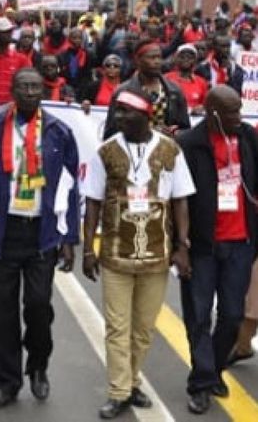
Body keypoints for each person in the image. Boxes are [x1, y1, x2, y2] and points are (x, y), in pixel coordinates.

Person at [0, 68, 80, 410]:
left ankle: (38, 364)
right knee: (0, 314)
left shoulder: (59, 132)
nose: (30, 92)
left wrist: (69, 237)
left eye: (35, 87)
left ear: (43, 91)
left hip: (41, 233)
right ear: (12, 91)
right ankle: (7, 381)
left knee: (38, 306)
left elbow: (70, 187)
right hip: (2, 232)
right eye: (24, 87)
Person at [82, 89, 195, 419]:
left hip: (156, 255)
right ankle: (119, 390)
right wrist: (88, 248)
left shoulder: (170, 150)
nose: (118, 117)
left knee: (143, 329)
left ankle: (131, 382)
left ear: (146, 116)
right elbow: (93, 202)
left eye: (125, 112)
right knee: (117, 326)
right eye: (116, 111)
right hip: (115, 254)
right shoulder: (105, 151)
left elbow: (181, 200)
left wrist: (182, 247)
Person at [176, 85, 258, 415]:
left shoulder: (248, 137)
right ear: (213, 114)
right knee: (197, 316)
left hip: (241, 243)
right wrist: (180, 246)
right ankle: (201, 383)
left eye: (239, 110)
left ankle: (214, 369)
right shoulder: (189, 144)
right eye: (231, 112)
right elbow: (177, 199)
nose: (238, 117)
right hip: (202, 246)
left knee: (232, 315)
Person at [103, 40, 190, 140]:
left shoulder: (174, 90)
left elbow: (185, 128)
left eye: (159, 57)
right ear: (138, 60)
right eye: (152, 58)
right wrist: (148, 131)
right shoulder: (123, 92)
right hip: (134, 146)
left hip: (165, 146)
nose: (157, 61)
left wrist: (175, 132)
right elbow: (111, 132)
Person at [165, 44, 209, 114]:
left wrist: (201, 108)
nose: (186, 59)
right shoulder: (167, 78)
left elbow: (205, 105)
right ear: (176, 59)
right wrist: (190, 110)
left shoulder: (201, 82)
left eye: (190, 57)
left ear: (195, 60)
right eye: (182, 57)